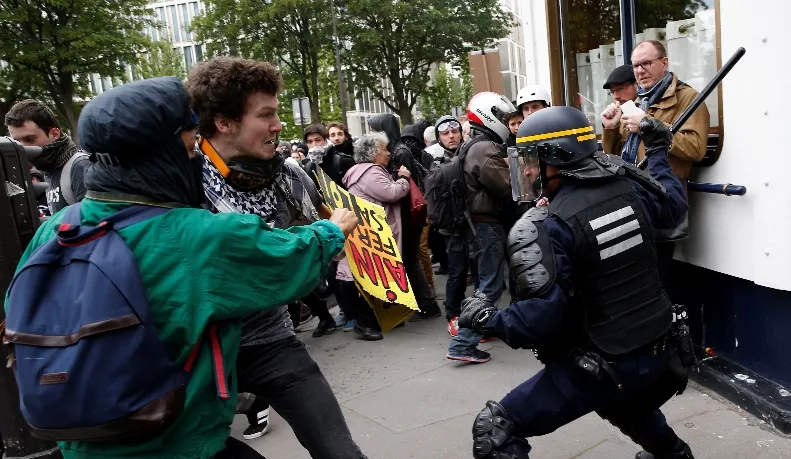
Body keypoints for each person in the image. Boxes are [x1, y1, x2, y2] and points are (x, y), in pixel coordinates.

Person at [8, 76, 357, 459]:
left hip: (85, 433)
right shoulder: (190, 234)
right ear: (164, 152)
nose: (197, 158)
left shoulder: (54, 229)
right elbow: (289, 256)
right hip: (173, 439)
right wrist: (333, 229)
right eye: (191, 147)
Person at [458, 106, 692, 459]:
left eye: (533, 160)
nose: (527, 170)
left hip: (603, 364)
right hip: (659, 349)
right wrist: (658, 150)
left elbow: (538, 321)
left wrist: (486, 318)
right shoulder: (628, 183)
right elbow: (673, 208)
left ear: (557, 157)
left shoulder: (549, 224)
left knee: (495, 429)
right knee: (627, 405)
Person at [187, 57, 366, 457]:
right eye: (265, 114)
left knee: (341, 453)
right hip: (204, 351)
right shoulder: (183, 182)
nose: (279, 125)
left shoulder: (289, 173)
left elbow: (329, 225)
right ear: (224, 122)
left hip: (272, 340)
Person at [601, 40, 710, 293]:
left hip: (662, 198)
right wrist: (609, 129)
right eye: (636, 65)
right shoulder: (637, 102)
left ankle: (663, 328)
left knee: (658, 276)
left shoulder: (688, 98)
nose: (640, 70)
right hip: (630, 198)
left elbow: (696, 148)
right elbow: (615, 156)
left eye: (646, 63)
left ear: (664, 63)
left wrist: (649, 124)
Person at [445, 92, 514, 362]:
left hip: (475, 224)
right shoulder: (483, 148)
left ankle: (479, 326)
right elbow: (507, 188)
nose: (506, 123)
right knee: (490, 284)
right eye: (502, 117)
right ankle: (463, 343)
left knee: (488, 281)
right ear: (489, 115)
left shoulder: (472, 145)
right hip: (485, 224)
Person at [336, 132, 412, 340]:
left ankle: (381, 319)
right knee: (372, 278)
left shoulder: (363, 171)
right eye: (384, 150)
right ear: (373, 153)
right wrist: (404, 178)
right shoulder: (370, 172)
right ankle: (364, 323)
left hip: (370, 233)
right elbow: (393, 193)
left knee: (378, 277)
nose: (388, 153)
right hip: (372, 234)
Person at [368, 114, 442, 321]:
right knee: (410, 260)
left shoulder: (399, 152)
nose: (373, 134)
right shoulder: (399, 148)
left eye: (375, 129)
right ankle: (423, 304)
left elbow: (401, 185)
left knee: (410, 260)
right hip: (408, 214)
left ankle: (427, 305)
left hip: (407, 214)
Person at [4, 99, 90, 214]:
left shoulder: (80, 166)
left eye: (29, 139)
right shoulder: (46, 169)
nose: (22, 147)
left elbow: (95, 223)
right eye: (16, 142)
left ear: (54, 134)